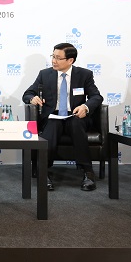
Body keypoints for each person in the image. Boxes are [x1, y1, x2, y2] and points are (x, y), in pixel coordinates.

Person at [22, 42, 103, 191]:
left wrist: (85, 107)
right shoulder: (45, 74)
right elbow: (27, 94)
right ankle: (43, 172)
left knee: (76, 123)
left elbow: (97, 97)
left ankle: (88, 172)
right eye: (53, 56)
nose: (54, 60)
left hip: (75, 115)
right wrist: (32, 98)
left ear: (70, 60)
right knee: (53, 124)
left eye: (58, 58)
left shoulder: (84, 75)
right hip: (53, 116)